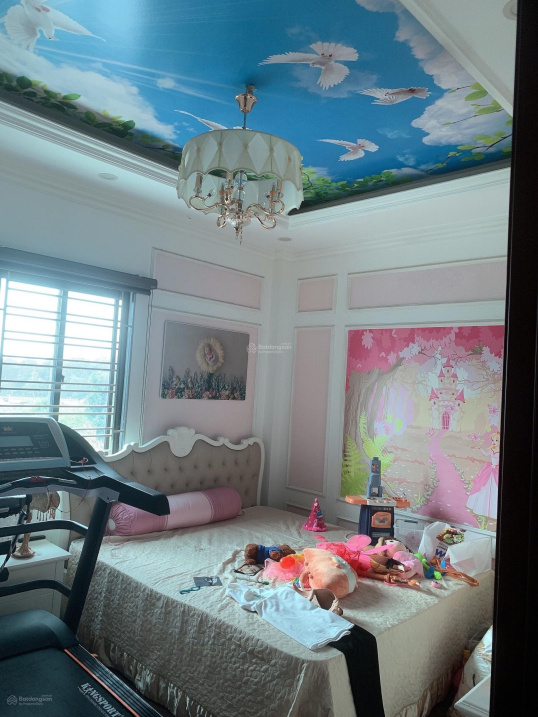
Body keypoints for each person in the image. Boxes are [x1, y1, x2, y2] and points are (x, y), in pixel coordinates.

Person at [466, 432, 500, 521]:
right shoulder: (492, 450)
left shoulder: (501, 451)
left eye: (496, 440)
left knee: (495, 488)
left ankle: (493, 510)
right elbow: (486, 454)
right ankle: (482, 507)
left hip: (496, 470)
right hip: (490, 469)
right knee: (484, 485)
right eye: (493, 440)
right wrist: (480, 448)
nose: (494, 442)